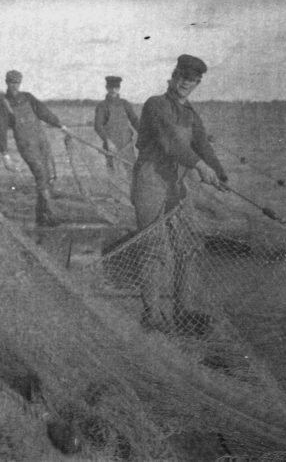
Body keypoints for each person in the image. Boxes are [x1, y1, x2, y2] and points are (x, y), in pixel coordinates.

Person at [132, 54, 228, 334]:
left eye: (192, 80)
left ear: (197, 84)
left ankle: (183, 312)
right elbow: (172, 143)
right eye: (182, 77)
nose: (186, 84)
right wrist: (199, 167)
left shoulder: (191, 114)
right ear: (173, 77)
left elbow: (201, 145)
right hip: (149, 182)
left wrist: (218, 172)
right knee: (154, 248)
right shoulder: (155, 105)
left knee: (188, 245)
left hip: (176, 185)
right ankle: (152, 314)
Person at [0, 70, 71, 227]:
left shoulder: (28, 97)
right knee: (41, 175)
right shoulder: (3, 104)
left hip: (42, 141)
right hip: (26, 144)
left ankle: (41, 217)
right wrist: (5, 155)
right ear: (6, 82)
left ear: (20, 83)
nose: (14, 85)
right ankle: (51, 214)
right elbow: (0, 129)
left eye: (17, 82)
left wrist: (60, 125)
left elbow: (43, 112)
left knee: (49, 176)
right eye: (11, 82)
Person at [94, 75, 140, 178]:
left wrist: (145, 133)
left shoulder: (125, 104)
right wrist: (108, 141)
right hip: (111, 146)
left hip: (127, 144)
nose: (113, 90)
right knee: (113, 175)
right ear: (106, 88)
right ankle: (114, 193)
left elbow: (135, 120)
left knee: (132, 173)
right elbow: (98, 126)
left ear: (119, 88)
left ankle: (132, 194)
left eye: (116, 87)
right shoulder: (102, 106)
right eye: (110, 87)